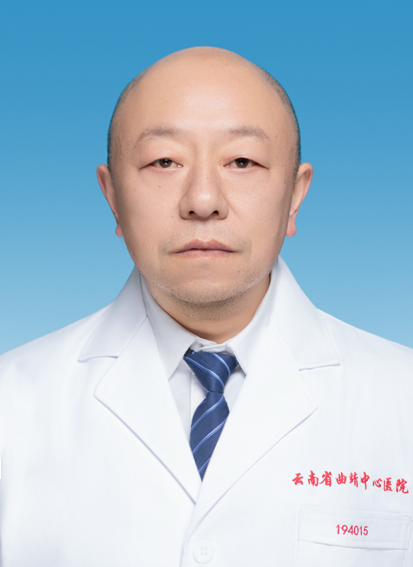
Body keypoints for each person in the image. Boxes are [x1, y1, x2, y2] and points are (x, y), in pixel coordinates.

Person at [0, 46, 412, 567]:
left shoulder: (402, 398)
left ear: (295, 195)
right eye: (164, 161)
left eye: (242, 162)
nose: (202, 200)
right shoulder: (12, 403)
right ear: (112, 196)